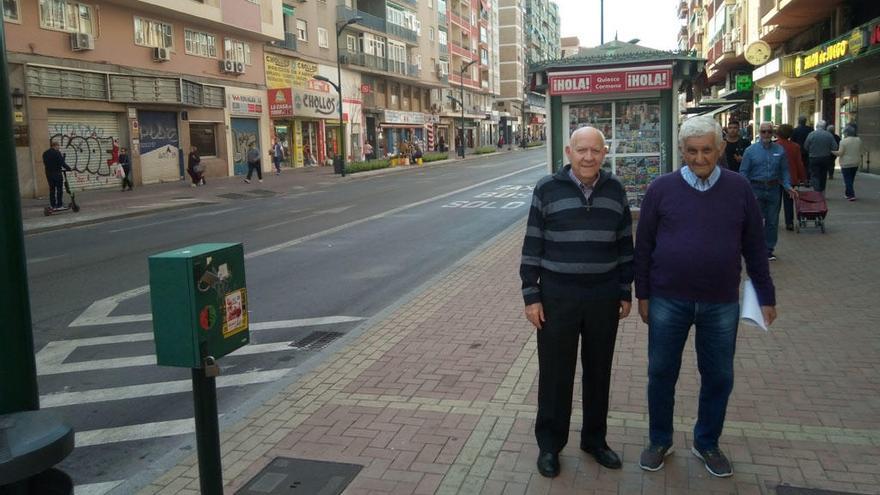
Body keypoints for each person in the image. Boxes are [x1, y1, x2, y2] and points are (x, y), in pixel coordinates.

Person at [634, 116, 777, 478]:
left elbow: (755, 247)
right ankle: (659, 439)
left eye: (707, 150)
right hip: (668, 299)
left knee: (718, 376)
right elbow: (644, 246)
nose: (700, 158)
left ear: (720, 149)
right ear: (682, 151)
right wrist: (643, 294)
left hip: (721, 302)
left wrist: (766, 295)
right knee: (661, 373)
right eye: (692, 151)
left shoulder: (739, 188)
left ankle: (706, 442)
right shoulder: (660, 189)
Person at [520, 126, 634, 478]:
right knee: (556, 375)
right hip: (558, 298)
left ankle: (595, 440)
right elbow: (532, 245)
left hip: (603, 297)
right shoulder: (547, 188)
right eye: (581, 150)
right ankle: (550, 446)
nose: (588, 157)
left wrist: (624, 290)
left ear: (605, 152)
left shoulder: (616, 190)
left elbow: (624, 246)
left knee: (598, 372)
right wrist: (531, 296)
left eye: (595, 151)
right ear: (569, 152)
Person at [740, 122, 798, 261]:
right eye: (763, 131)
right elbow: (743, 172)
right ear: (759, 133)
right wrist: (748, 191)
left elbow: (784, 170)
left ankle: (768, 249)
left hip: (773, 189)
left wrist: (788, 186)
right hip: (756, 188)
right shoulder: (750, 151)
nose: (766, 134)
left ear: (773, 133)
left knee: (772, 221)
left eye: (769, 131)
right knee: (756, 221)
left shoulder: (780, 150)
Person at [774, 124, 807, 230]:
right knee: (789, 201)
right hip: (791, 177)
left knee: (775, 201)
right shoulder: (795, 146)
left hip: (775, 178)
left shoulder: (774, 146)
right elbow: (799, 163)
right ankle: (789, 222)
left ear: (778, 133)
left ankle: (774, 221)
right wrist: (803, 177)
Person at [803, 120, 838, 194]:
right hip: (825, 157)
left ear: (816, 126)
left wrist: (811, 151)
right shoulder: (829, 135)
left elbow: (806, 146)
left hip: (813, 157)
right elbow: (835, 147)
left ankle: (816, 191)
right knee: (823, 175)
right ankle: (822, 191)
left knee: (814, 174)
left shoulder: (811, 134)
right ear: (824, 127)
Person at [832, 125, 864, 201]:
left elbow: (840, 153)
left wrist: (832, 151)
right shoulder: (859, 140)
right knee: (851, 179)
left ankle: (852, 195)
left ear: (846, 133)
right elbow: (862, 151)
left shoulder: (843, 141)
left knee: (847, 180)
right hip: (856, 162)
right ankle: (847, 193)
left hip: (846, 163)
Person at [42, 140, 72, 211]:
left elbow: (45, 163)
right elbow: (62, 163)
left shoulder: (45, 153)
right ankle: (59, 204)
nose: (59, 148)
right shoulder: (57, 153)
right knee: (59, 189)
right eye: (58, 146)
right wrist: (69, 168)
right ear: (55, 146)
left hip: (48, 174)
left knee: (52, 190)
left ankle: (53, 205)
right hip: (57, 173)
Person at [791, 116, 813, 182]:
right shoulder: (810, 129)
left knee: (799, 164)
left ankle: (800, 178)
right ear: (805, 121)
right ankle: (807, 178)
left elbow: (792, 140)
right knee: (807, 165)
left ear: (798, 121)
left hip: (798, 150)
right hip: (808, 150)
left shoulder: (795, 130)